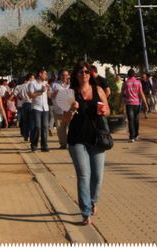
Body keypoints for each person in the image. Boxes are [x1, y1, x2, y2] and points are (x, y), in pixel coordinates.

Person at [63, 61, 111, 226]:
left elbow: (108, 110)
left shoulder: (98, 90)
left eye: (87, 71)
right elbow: (65, 118)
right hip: (77, 139)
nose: (84, 74)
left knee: (97, 176)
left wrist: (105, 111)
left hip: (96, 138)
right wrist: (71, 109)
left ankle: (92, 201)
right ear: (75, 75)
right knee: (84, 175)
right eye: (81, 72)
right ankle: (85, 212)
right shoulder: (70, 93)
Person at [120, 69, 148, 142]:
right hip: (137, 103)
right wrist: (145, 103)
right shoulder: (138, 83)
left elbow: (122, 94)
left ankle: (131, 136)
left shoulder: (125, 83)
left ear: (128, 75)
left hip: (129, 103)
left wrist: (119, 103)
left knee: (131, 120)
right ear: (134, 75)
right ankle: (136, 134)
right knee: (136, 119)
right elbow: (141, 93)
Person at [27, 69, 51, 152]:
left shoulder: (45, 83)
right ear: (40, 74)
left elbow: (49, 96)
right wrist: (41, 91)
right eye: (45, 74)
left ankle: (44, 145)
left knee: (44, 127)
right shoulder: (32, 84)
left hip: (45, 107)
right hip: (36, 107)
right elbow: (30, 95)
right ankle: (34, 144)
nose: (46, 75)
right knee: (37, 126)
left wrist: (48, 89)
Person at [51, 69, 71, 149]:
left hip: (70, 110)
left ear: (68, 76)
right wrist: (56, 92)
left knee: (72, 127)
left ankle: (71, 143)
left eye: (66, 75)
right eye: (63, 75)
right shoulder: (55, 85)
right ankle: (63, 144)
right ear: (60, 76)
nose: (64, 77)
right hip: (59, 110)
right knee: (60, 129)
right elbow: (50, 96)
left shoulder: (72, 84)